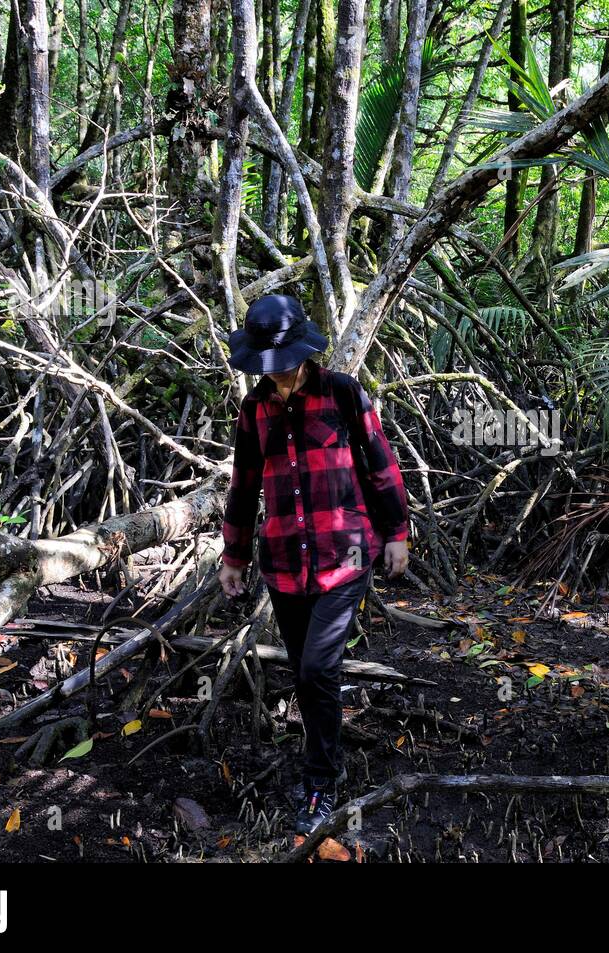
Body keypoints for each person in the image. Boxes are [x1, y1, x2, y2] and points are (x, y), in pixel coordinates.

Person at [218, 294, 409, 835]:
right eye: (265, 368)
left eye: (281, 367)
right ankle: (323, 750)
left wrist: (397, 534)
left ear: (303, 355)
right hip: (282, 561)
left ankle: (320, 782)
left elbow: (380, 464)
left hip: (344, 556)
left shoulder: (343, 394)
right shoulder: (254, 410)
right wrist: (233, 556)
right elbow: (243, 485)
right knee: (305, 673)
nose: (274, 377)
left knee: (318, 668)